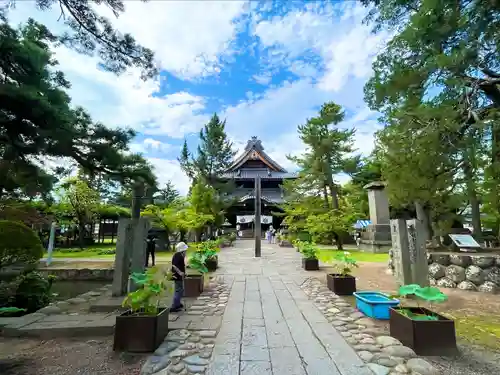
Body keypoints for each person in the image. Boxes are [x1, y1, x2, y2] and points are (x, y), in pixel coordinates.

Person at [170, 241, 188, 312]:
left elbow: (181, 266)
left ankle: (177, 303)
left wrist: (184, 273)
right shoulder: (178, 255)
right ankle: (175, 306)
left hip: (179, 275)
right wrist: (180, 272)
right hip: (177, 275)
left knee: (180, 289)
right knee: (178, 290)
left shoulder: (180, 255)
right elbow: (174, 266)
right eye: (185, 250)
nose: (186, 252)